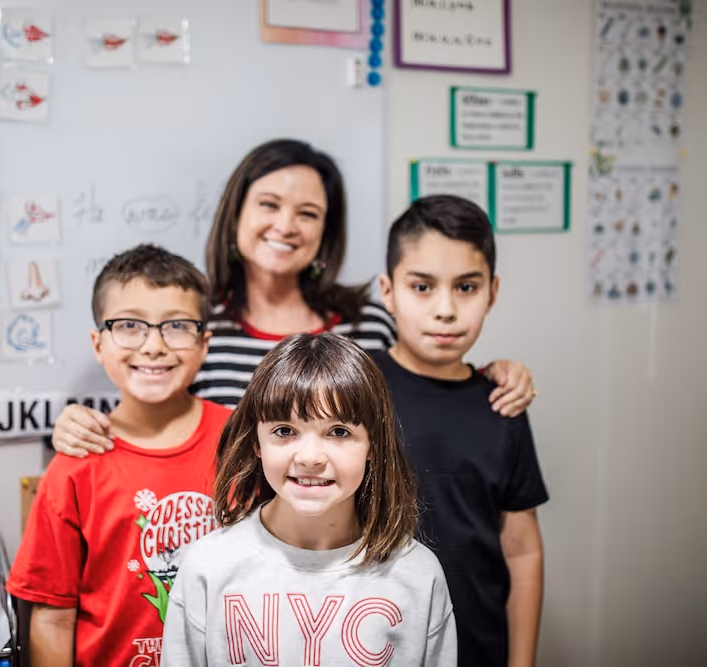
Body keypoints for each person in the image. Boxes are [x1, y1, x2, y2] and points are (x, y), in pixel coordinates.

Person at [51, 139, 536, 457]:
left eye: (307, 213)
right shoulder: (194, 327)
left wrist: (493, 372)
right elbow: (152, 414)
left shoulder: (367, 323)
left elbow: (424, 386)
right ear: (235, 212)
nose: (285, 226)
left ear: (325, 232)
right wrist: (78, 424)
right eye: (268, 205)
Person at [161, 333, 457, 666]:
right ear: (256, 442)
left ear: (373, 443)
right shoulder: (207, 567)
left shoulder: (417, 575)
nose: (311, 457)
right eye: (285, 431)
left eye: (339, 432)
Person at [6, 245, 232, 667]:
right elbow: (53, 620)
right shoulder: (75, 466)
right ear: (98, 343)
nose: (154, 345)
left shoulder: (242, 443)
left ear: (204, 344)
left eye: (177, 326)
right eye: (130, 325)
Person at [375, 195, 548, 667]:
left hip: (476, 644)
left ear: (492, 291)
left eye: (466, 287)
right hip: (371, 642)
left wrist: (522, 661)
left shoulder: (503, 402)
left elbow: (522, 549)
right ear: (388, 291)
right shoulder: (355, 389)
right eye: (423, 287)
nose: (446, 309)